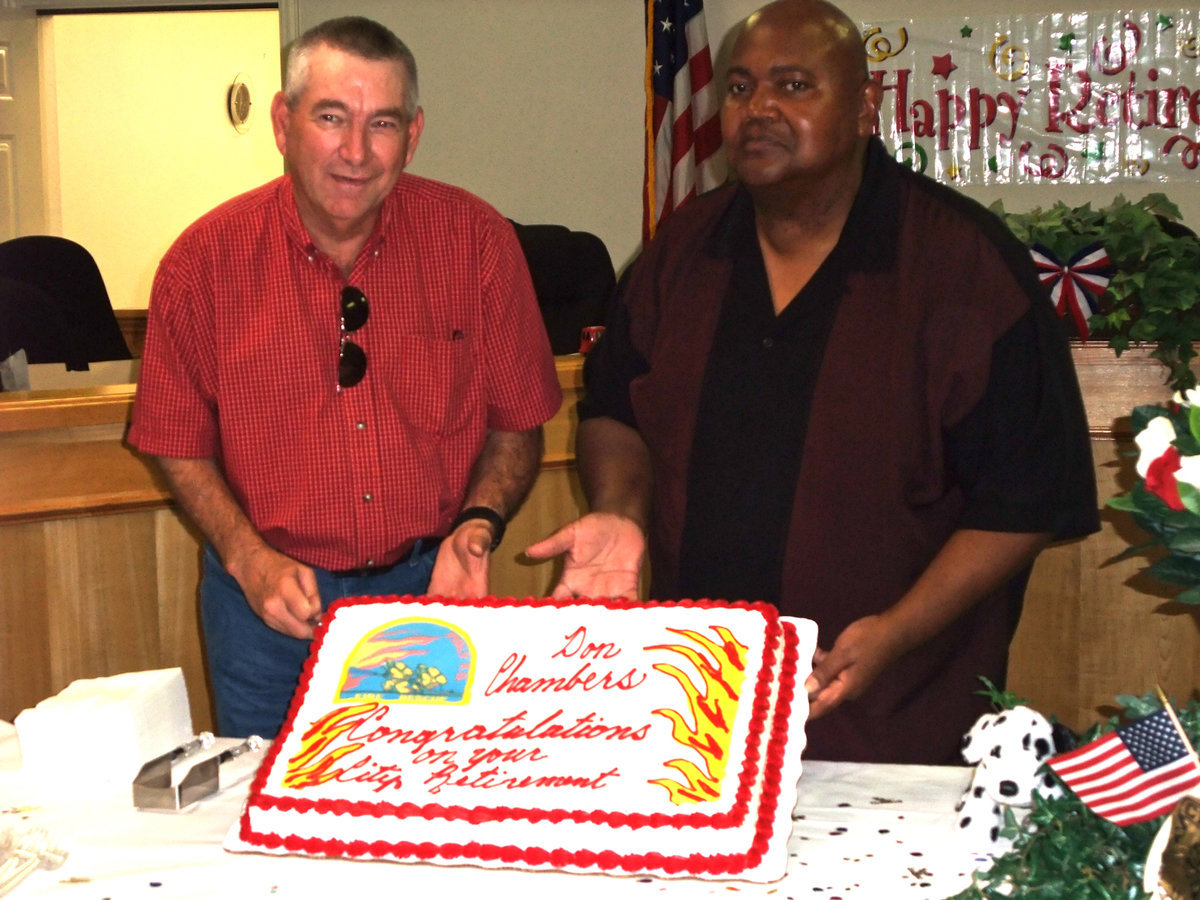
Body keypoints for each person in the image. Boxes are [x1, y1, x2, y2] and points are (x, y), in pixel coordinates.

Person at [527, 0, 1099, 764]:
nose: (758, 108)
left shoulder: (962, 266)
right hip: (696, 710)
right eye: (739, 88)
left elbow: (1025, 500)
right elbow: (613, 410)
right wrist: (621, 511)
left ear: (865, 108)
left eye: (794, 85)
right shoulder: (683, 253)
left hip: (894, 715)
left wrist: (895, 631)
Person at [129, 17, 561, 739]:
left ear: (414, 135)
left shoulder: (477, 243)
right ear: (282, 121)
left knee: (425, 817)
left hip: (431, 600)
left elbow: (518, 425)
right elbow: (177, 442)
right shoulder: (201, 264)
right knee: (272, 820)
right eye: (332, 117)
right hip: (265, 607)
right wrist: (247, 556)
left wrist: (478, 528)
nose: (355, 152)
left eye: (381, 124)